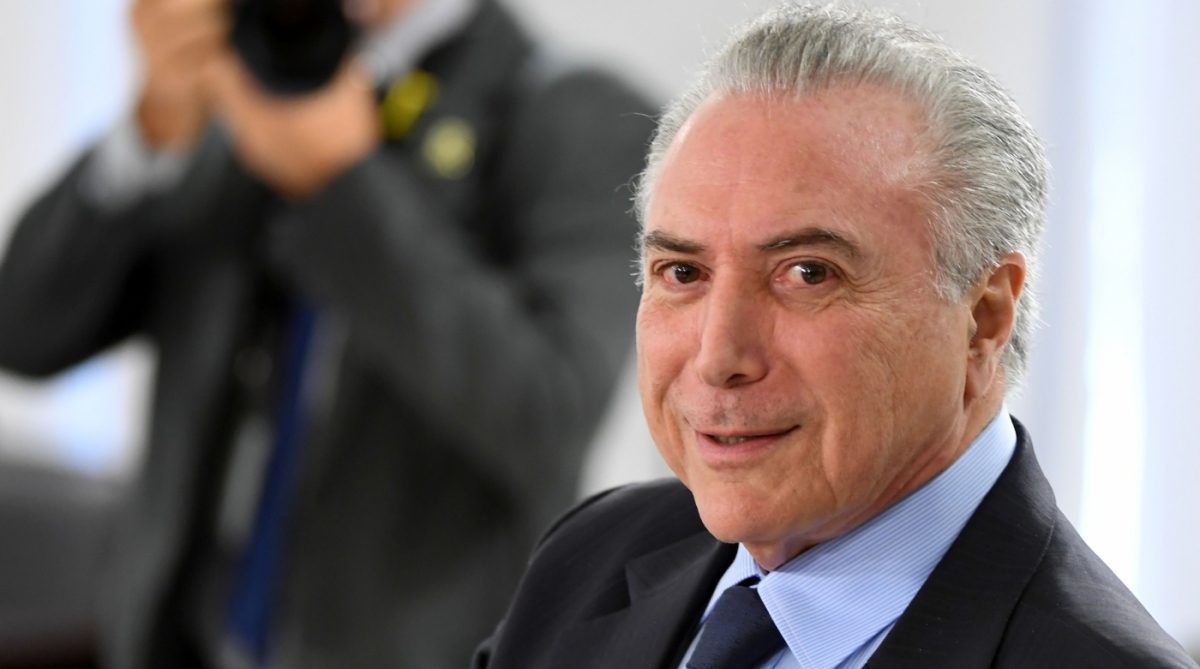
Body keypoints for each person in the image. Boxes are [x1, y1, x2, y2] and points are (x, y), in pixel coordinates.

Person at [473, 5, 1199, 669]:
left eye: (807, 273)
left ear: (984, 318)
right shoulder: (592, 558)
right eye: (682, 271)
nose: (719, 356)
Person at [0, 0, 654, 667]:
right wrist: (151, 129)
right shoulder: (242, 80)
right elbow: (23, 332)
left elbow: (550, 413)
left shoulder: (576, 113)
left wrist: (340, 185)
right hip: (174, 640)